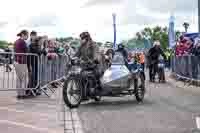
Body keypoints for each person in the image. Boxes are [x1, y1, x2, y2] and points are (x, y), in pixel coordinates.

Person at [14, 30, 29, 99]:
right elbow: (26, 51)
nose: (27, 36)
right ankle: (23, 94)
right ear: (23, 35)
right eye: (27, 35)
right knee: (24, 79)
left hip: (16, 61)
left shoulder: (16, 41)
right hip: (22, 62)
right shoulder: (22, 42)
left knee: (18, 79)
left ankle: (19, 94)